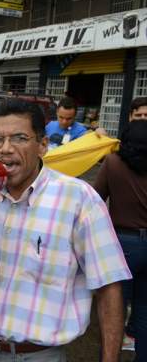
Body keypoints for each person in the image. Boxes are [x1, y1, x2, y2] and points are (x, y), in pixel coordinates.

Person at [0, 98, 131, 362]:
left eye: (19, 138)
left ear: (42, 145)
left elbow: (109, 287)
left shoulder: (79, 200)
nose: (6, 149)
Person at [94, 99, 147, 358]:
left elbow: (95, 200)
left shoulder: (113, 163)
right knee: (145, 311)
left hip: (121, 245)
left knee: (112, 310)